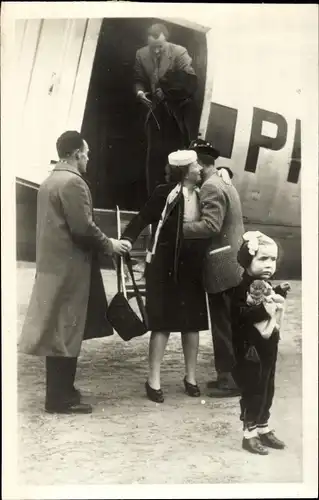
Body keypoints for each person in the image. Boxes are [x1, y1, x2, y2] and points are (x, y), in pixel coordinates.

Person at [18, 131, 131, 414]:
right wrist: (111, 245)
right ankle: (60, 399)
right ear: (77, 153)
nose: (89, 158)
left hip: (52, 269)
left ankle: (62, 392)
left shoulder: (49, 181)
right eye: (87, 153)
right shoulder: (73, 183)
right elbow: (83, 228)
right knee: (66, 332)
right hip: (70, 271)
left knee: (57, 331)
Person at [121, 150, 211, 403]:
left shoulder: (203, 192)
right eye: (196, 165)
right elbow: (143, 217)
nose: (200, 168)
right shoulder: (165, 192)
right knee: (161, 324)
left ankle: (191, 377)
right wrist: (128, 239)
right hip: (164, 267)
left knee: (192, 324)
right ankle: (154, 379)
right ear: (185, 170)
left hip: (191, 267)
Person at [184, 139, 245, 397]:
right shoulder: (223, 180)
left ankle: (229, 380)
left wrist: (178, 229)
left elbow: (211, 226)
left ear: (200, 163)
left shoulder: (210, 187)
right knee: (230, 321)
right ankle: (229, 375)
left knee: (223, 323)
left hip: (221, 263)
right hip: (233, 260)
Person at [231, 231, 290, 455]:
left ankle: (263, 427)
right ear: (248, 260)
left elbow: (268, 300)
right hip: (249, 349)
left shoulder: (265, 284)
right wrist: (264, 308)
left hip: (268, 347)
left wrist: (278, 292)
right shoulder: (239, 289)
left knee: (268, 387)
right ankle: (249, 433)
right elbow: (240, 315)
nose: (269, 265)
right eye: (262, 259)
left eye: (273, 259)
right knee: (253, 389)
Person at [134, 23, 197, 195]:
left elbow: (190, 81)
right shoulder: (141, 54)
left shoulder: (179, 52)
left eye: (159, 47)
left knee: (175, 158)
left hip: (176, 114)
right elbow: (138, 78)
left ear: (166, 41)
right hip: (155, 112)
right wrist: (139, 92)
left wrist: (168, 93)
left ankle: (175, 200)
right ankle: (153, 199)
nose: (155, 51)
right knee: (153, 159)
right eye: (152, 47)